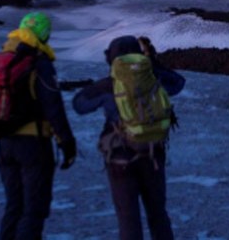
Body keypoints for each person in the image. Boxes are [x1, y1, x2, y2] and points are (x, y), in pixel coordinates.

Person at [73, 35, 185, 240]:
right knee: (158, 213)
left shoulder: (108, 85)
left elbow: (79, 105)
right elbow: (178, 83)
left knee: (128, 218)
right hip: (152, 154)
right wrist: (153, 64)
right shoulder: (153, 78)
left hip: (119, 159)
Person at [0, 11, 77, 239]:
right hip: (33, 145)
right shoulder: (39, 63)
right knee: (33, 210)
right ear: (44, 34)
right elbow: (53, 106)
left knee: (14, 206)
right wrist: (67, 143)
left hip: (5, 142)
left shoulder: (5, 57)